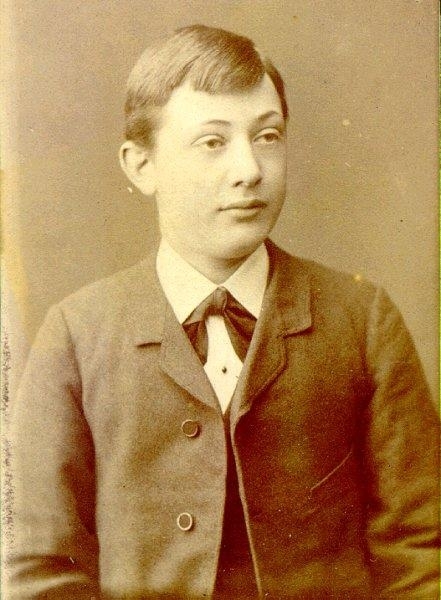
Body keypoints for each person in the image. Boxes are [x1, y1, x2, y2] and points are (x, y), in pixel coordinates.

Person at [7, 24, 439, 600]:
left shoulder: (362, 320)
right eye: (213, 142)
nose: (250, 169)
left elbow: (419, 551)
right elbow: (38, 567)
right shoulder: (76, 335)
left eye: (268, 136)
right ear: (141, 165)